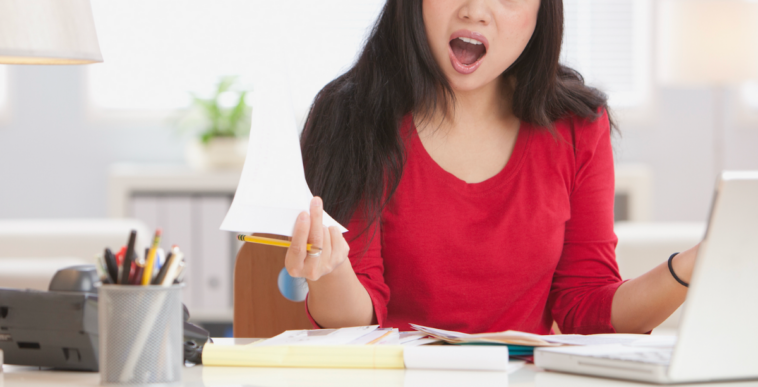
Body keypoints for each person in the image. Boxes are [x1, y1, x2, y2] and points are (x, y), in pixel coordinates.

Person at [282, 0, 699, 334]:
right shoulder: (352, 115)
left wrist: (693, 265)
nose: (475, 9)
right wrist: (331, 271)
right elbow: (354, 323)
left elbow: (586, 307)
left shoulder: (578, 125)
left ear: (541, 12)